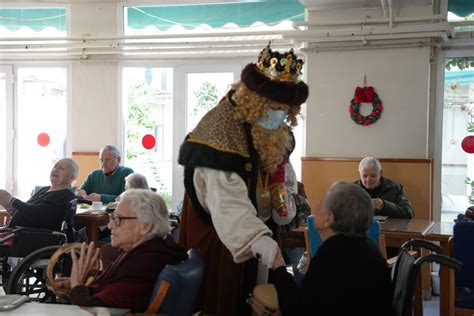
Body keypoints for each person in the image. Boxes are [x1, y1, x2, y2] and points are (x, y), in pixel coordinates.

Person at [178, 44, 308, 315]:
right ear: (255, 101)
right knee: (222, 303)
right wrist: (257, 238)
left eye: (285, 110)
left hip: (251, 236)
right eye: (275, 107)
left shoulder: (267, 130)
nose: (280, 116)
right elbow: (225, 199)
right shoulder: (220, 130)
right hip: (221, 239)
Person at [49, 189, 187, 313]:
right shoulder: (142, 251)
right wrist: (74, 284)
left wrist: (77, 285)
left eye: (119, 219)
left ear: (145, 227)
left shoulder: (144, 264)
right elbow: (111, 289)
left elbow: (96, 310)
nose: (110, 225)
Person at [271, 182, 393, 316]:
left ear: (328, 219)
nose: (316, 208)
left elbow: (298, 310)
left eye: (320, 204)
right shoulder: (370, 249)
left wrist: (280, 269)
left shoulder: (331, 255)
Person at [0, 158, 78, 231]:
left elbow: (36, 214)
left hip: (34, 239)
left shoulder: (65, 195)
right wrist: (9, 206)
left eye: (61, 168)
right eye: (55, 166)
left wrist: (10, 199)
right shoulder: (44, 189)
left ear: (71, 177)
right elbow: (26, 211)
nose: (55, 170)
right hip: (18, 234)